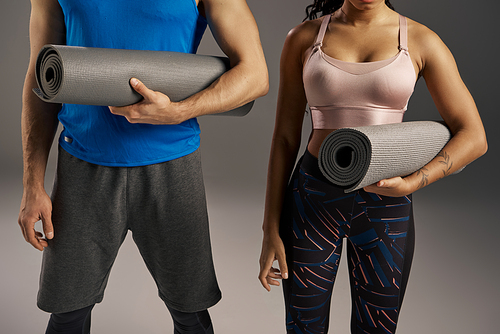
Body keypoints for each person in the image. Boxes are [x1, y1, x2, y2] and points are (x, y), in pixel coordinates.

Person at [18, 0, 268, 333]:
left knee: (191, 312)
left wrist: (180, 111)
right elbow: (41, 78)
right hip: (83, 165)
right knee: (67, 313)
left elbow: (256, 75)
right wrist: (32, 184)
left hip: (173, 168)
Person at [258, 0, 486, 333]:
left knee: (376, 329)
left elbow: (474, 136)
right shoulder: (305, 37)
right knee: (303, 328)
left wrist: (414, 183)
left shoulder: (420, 40)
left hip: (387, 204)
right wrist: (269, 229)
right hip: (313, 200)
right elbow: (284, 139)